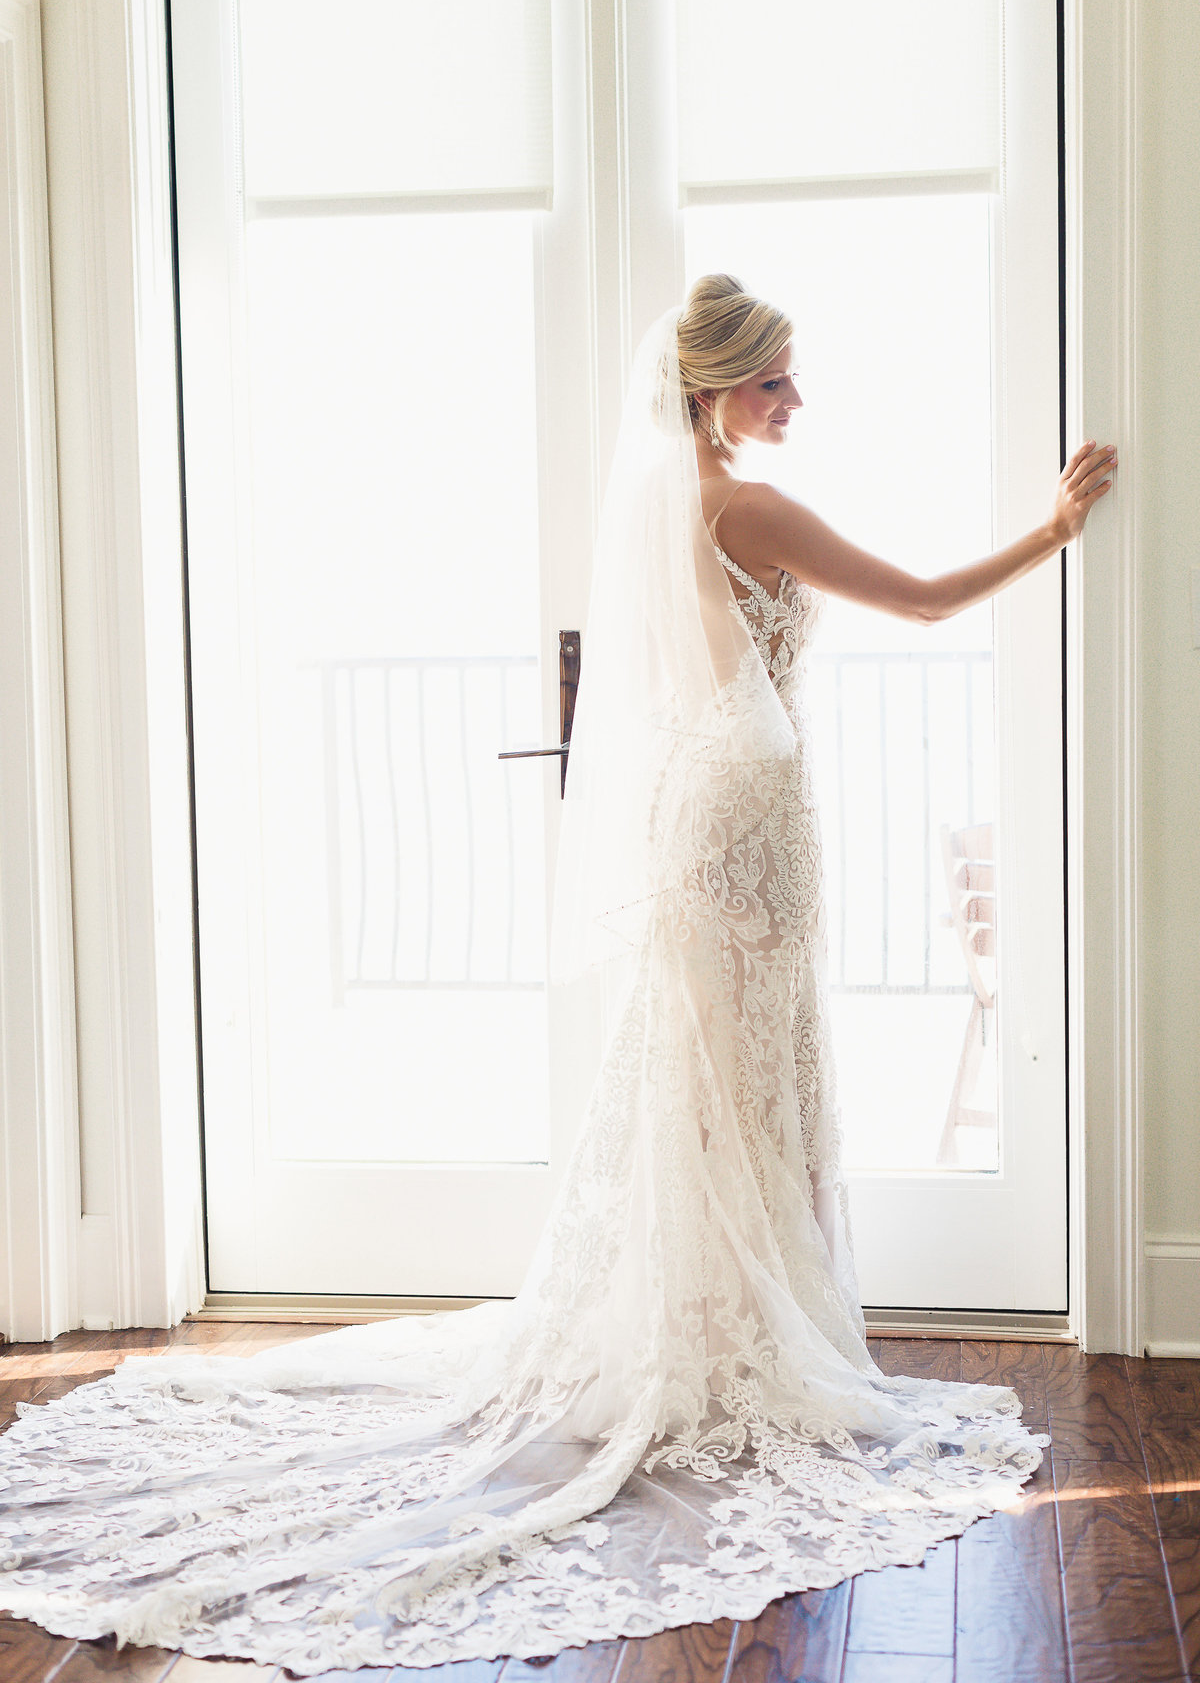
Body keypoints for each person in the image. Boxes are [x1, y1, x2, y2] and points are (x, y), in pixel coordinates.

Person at [0, 277, 1113, 1675]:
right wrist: (1057, 531)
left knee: (718, 1083)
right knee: (739, 1079)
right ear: (715, 390)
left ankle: (714, 1326)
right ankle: (724, 1343)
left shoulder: (671, 496)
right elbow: (929, 600)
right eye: (775, 384)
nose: (794, 405)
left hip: (718, 806)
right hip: (749, 812)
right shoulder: (739, 503)